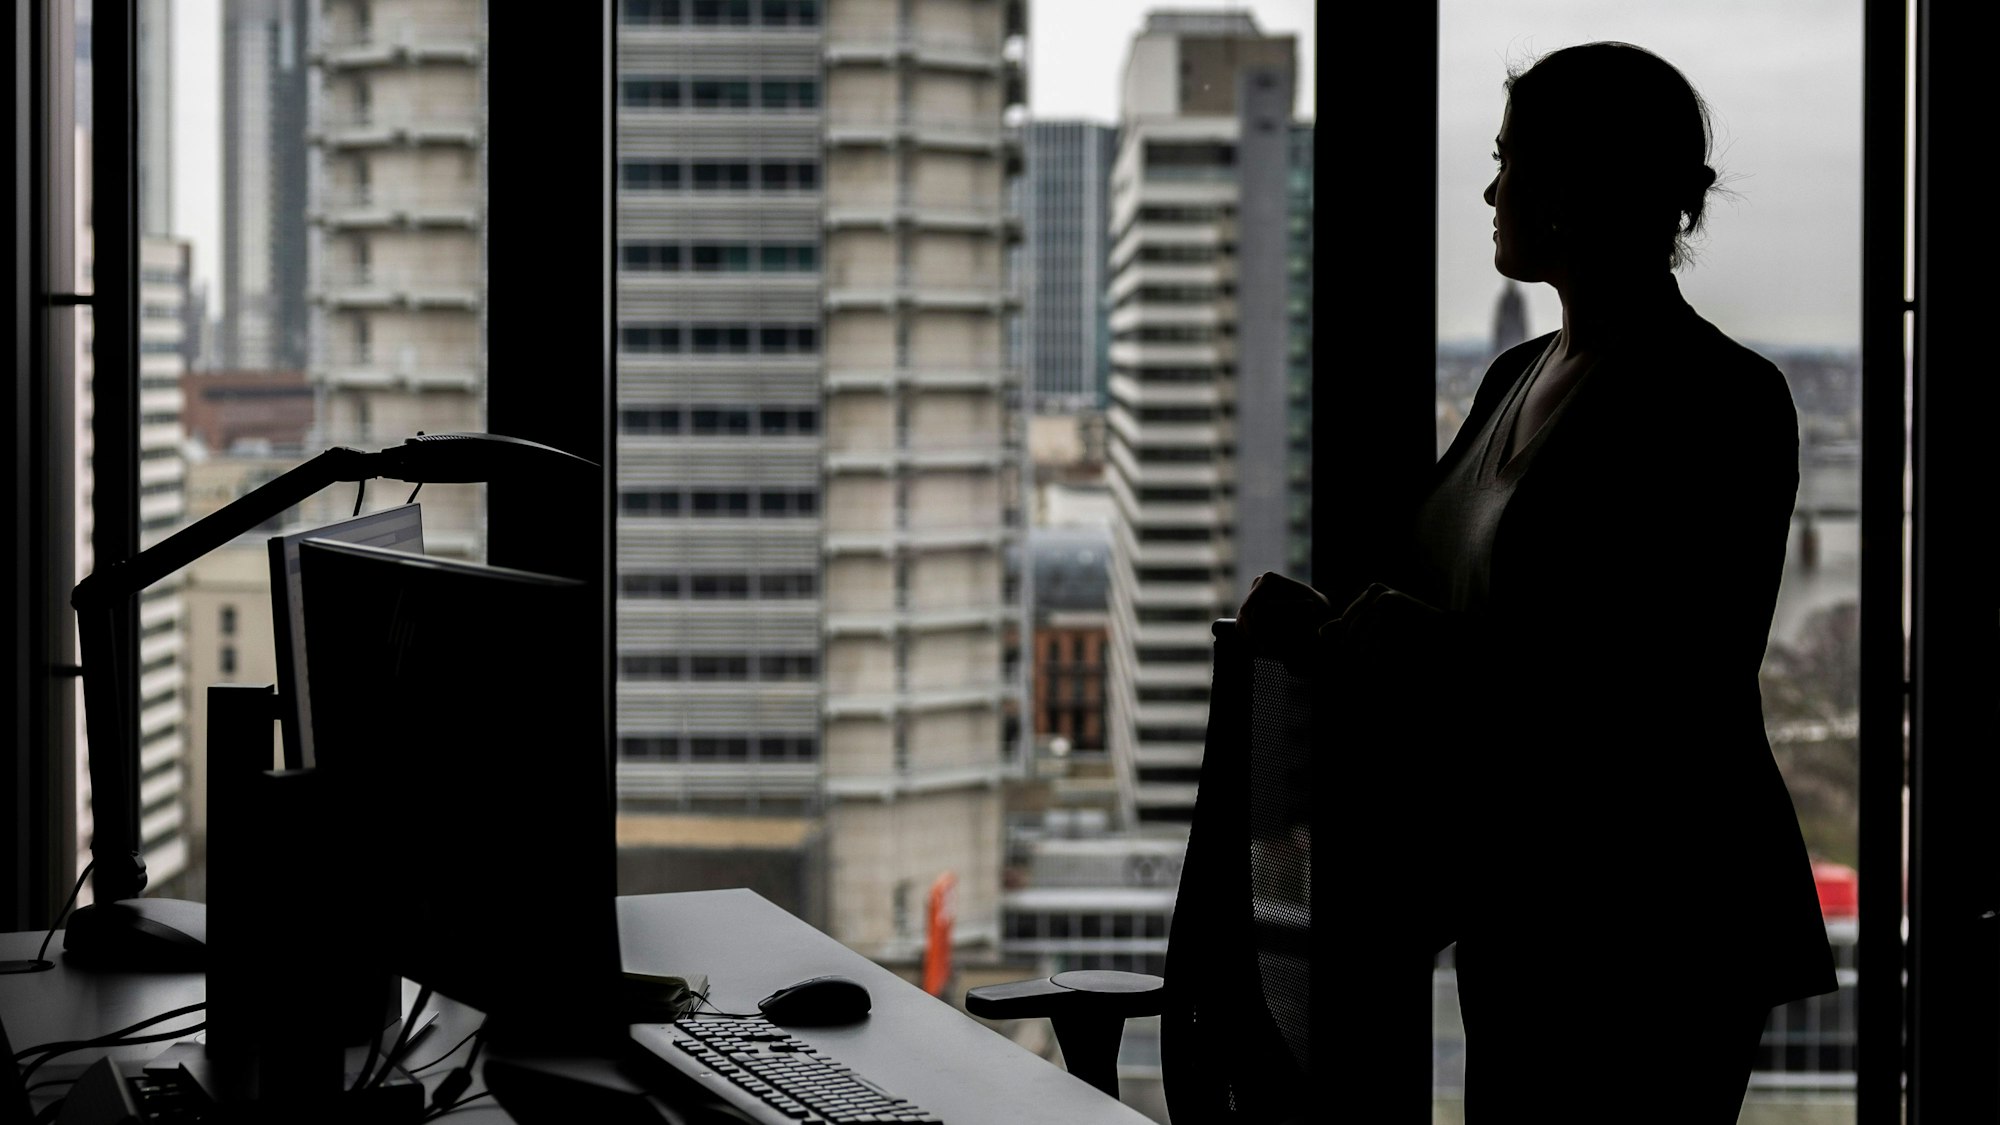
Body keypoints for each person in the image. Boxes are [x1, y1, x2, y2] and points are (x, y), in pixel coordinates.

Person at [1239, 42, 1836, 1119]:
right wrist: (1330, 629)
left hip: (1654, 919)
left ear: (1569, 190)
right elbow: (1464, 617)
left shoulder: (1721, 401)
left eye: (1506, 160)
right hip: (1523, 900)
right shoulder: (1515, 374)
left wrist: (1421, 651)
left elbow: (1670, 686)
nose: (1487, 187)